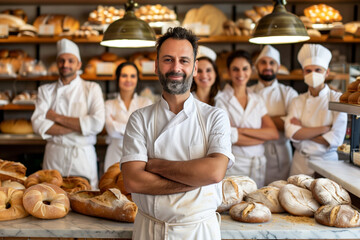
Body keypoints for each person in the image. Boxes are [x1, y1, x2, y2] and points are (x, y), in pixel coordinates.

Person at [120, 27, 234, 240]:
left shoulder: (215, 117)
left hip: (199, 231)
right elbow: (134, 181)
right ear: (156, 66)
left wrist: (155, 166)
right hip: (150, 231)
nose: (176, 67)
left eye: (184, 60)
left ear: (195, 67)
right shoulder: (139, 119)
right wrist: (195, 180)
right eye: (168, 60)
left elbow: (214, 173)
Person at [31, 38, 105, 189]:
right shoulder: (45, 91)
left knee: (85, 200)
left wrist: (56, 118)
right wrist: (81, 125)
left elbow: (97, 123)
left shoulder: (91, 89)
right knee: (50, 199)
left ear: (78, 64)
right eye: (61, 61)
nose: (65, 65)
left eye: (71, 61)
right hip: (54, 155)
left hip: (82, 157)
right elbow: (37, 124)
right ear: (57, 63)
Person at [216, 49, 279, 188]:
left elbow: (273, 133)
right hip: (235, 164)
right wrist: (261, 136)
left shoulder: (256, 98)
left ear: (251, 70)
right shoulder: (221, 100)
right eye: (235, 69)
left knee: (256, 205)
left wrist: (239, 130)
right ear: (228, 71)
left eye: (245, 69)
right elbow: (228, 137)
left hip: (259, 164)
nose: (240, 74)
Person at [285, 44, 347, 176]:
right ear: (303, 73)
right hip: (300, 163)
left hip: (327, 163)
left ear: (327, 72)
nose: (313, 74)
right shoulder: (297, 100)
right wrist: (324, 129)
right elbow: (291, 133)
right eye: (308, 71)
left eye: (318, 70)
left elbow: (336, 139)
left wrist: (303, 129)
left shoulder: (337, 99)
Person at [249, 45, 298, 184]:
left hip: (281, 153)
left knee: (279, 194)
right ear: (256, 66)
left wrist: (259, 121)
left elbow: (291, 126)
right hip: (253, 151)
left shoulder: (288, 93)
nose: (267, 66)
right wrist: (279, 119)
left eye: (272, 63)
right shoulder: (248, 92)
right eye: (263, 62)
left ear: (278, 67)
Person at [103, 62, 152, 172]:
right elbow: (111, 130)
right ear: (118, 78)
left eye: (132, 76)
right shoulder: (109, 104)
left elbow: (146, 131)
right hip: (114, 155)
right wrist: (135, 128)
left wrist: (117, 125)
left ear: (137, 79)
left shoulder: (145, 102)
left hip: (139, 155)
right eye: (124, 75)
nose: (128, 80)